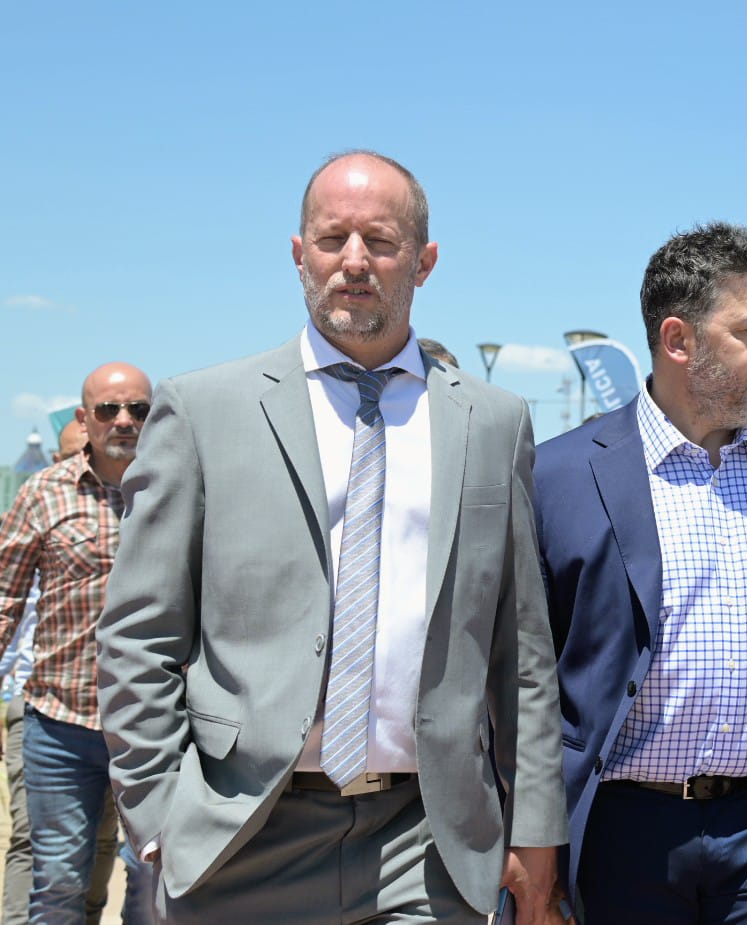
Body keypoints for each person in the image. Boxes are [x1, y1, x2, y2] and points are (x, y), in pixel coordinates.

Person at [96, 150, 567, 924]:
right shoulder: (203, 410)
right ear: (298, 254)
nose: (353, 261)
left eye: (380, 241)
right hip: (242, 833)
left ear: (424, 260)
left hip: (427, 842)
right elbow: (139, 632)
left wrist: (536, 827)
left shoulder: (493, 422)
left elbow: (523, 654)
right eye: (331, 239)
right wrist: (156, 813)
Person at [533, 221, 747, 924]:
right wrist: (532, 835)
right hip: (622, 832)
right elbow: (525, 678)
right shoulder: (558, 474)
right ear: (678, 340)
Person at [0, 365, 156, 925]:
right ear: (83, 419)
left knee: (153, 879)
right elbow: (5, 597)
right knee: (59, 881)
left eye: (138, 410)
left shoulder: (181, 486)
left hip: (156, 724)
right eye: (110, 410)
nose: (124, 421)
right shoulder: (43, 493)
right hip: (60, 725)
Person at [1, 421, 119, 925]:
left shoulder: (160, 490)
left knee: (116, 850)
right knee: (42, 851)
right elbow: (5, 602)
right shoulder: (41, 499)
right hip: (48, 711)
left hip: (141, 721)